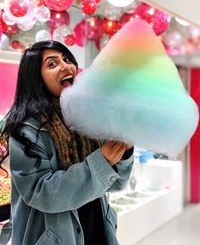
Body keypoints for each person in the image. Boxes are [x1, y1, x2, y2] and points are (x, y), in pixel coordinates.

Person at [0, 40, 134, 245]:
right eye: (52, 64)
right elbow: (42, 193)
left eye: (67, 59)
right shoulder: (26, 131)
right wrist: (101, 162)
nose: (65, 66)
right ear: (35, 78)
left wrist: (123, 152)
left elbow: (115, 184)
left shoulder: (87, 120)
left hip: (97, 233)